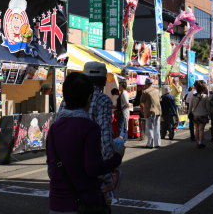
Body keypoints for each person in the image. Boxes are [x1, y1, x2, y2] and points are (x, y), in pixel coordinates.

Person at [47, 72, 124, 213]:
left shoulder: (54, 128)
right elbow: (93, 168)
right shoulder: (89, 127)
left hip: (57, 202)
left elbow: (51, 170)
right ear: (89, 97)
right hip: (84, 202)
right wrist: (117, 157)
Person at [57, 61, 116, 204]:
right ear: (103, 81)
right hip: (92, 167)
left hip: (67, 165)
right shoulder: (103, 100)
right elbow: (105, 139)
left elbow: (57, 128)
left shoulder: (67, 100)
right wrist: (110, 166)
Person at [140, 77, 162, 148]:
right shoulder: (157, 91)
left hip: (149, 111)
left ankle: (150, 144)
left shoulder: (145, 92)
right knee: (157, 127)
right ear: (151, 83)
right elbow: (159, 100)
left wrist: (143, 109)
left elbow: (141, 102)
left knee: (150, 128)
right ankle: (157, 143)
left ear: (146, 84)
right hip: (158, 111)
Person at [189, 82, 211, 148]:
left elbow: (190, 106)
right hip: (203, 115)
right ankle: (200, 142)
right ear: (203, 89)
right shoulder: (205, 97)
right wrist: (209, 114)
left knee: (196, 129)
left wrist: (189, 113)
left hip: (195, 115)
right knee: (201, 130)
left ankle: (197, 141)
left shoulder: (193, 97)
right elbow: (208, 107)